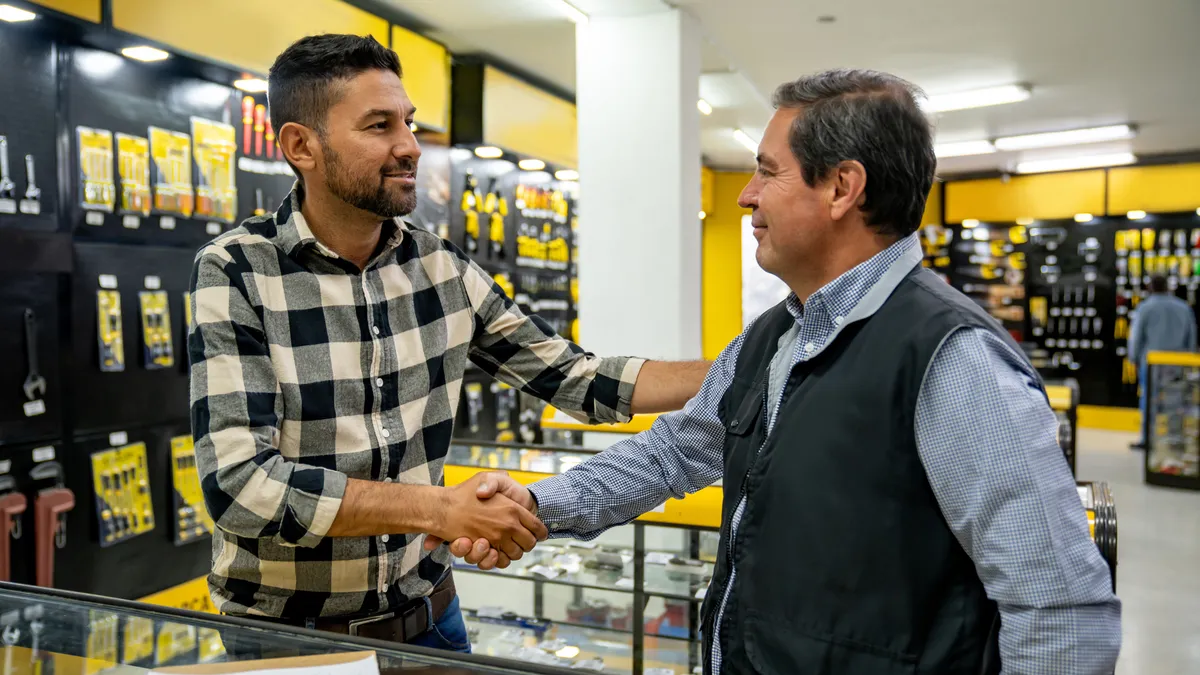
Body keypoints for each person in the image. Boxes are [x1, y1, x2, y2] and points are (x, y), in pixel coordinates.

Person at [443, 69, 1122, 673]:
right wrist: (536, 504)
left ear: (841, 188)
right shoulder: (774, 336)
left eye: (767, 172)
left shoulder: (953, 358)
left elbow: (1059, 608)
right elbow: (672, 454)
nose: (746, 197)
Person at [187, 34, 710, 652]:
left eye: (406, 122)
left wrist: (747, 365)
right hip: (290, 643)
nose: (408, 146)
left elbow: (575, 379)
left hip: (430, 621)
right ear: (301, 145)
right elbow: (243, 488)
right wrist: (439, 510)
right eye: (378, 126)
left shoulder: (440, 267)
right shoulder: (236, 271)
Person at [1128, 274, 1197, 449]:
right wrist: (1189, 359)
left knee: (1149, 400)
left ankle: (1147, 439)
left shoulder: (1145, 308)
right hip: (1177, 363)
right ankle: (1175, 439)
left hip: (1151, 363)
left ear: (1150, 287)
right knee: (1176, 401)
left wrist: (1134, 357)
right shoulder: (1183, 307)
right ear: (1168, 287)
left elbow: (1136, 337)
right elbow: (1192, 336)